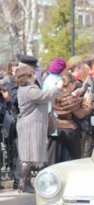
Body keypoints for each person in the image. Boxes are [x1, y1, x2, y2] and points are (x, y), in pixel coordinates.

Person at [15, 65, 63, 193]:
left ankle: (25, 182)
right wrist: (57, 88)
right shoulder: (29, 89)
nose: (35, 76)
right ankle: (22, 183)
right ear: (28, 77)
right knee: (27, 155)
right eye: (32, 74)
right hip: (29, 125)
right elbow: (44, 96)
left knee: (28, 155)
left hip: (30, 125)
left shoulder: (25, 88)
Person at [52, 71, 94, 162]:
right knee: (75, 159)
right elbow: (81, 114)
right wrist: (88, 101)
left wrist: (75, 94)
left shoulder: (54, 95)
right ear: (71, 85)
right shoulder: (70, 99)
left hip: (56, 127)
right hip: (69, 130)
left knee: (58, 159)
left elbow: (66, 99)